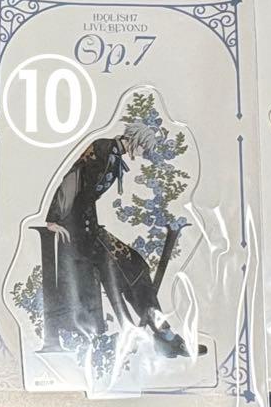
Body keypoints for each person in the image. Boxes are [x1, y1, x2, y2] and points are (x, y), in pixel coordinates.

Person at [45, 121, 194, 357]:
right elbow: (73, 177)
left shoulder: (114, 155)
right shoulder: (103, 148)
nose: (144, 154)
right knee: (132, 267)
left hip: (88, 227)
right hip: (79, 229)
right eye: (145, 148)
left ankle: (159, 334)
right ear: (137, 140)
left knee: (133, 268)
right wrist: (54, 218)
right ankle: (161, 335)